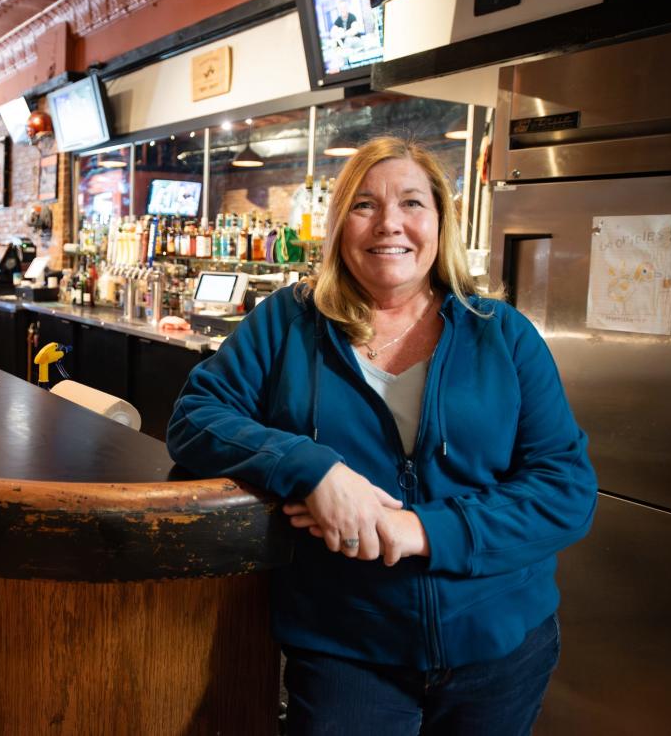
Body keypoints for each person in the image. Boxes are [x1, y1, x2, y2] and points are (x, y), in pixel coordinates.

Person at [166, 136, 597, 736]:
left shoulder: (503, 335)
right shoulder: (288, 322)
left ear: (440, 221)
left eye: (412, 204)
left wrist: (419, 530)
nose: (389, 224)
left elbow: (565, 490)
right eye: (366, 205)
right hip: (347, 645)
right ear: (341, 225)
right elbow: (195, 417)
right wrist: (312, 468)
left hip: (498, 647)